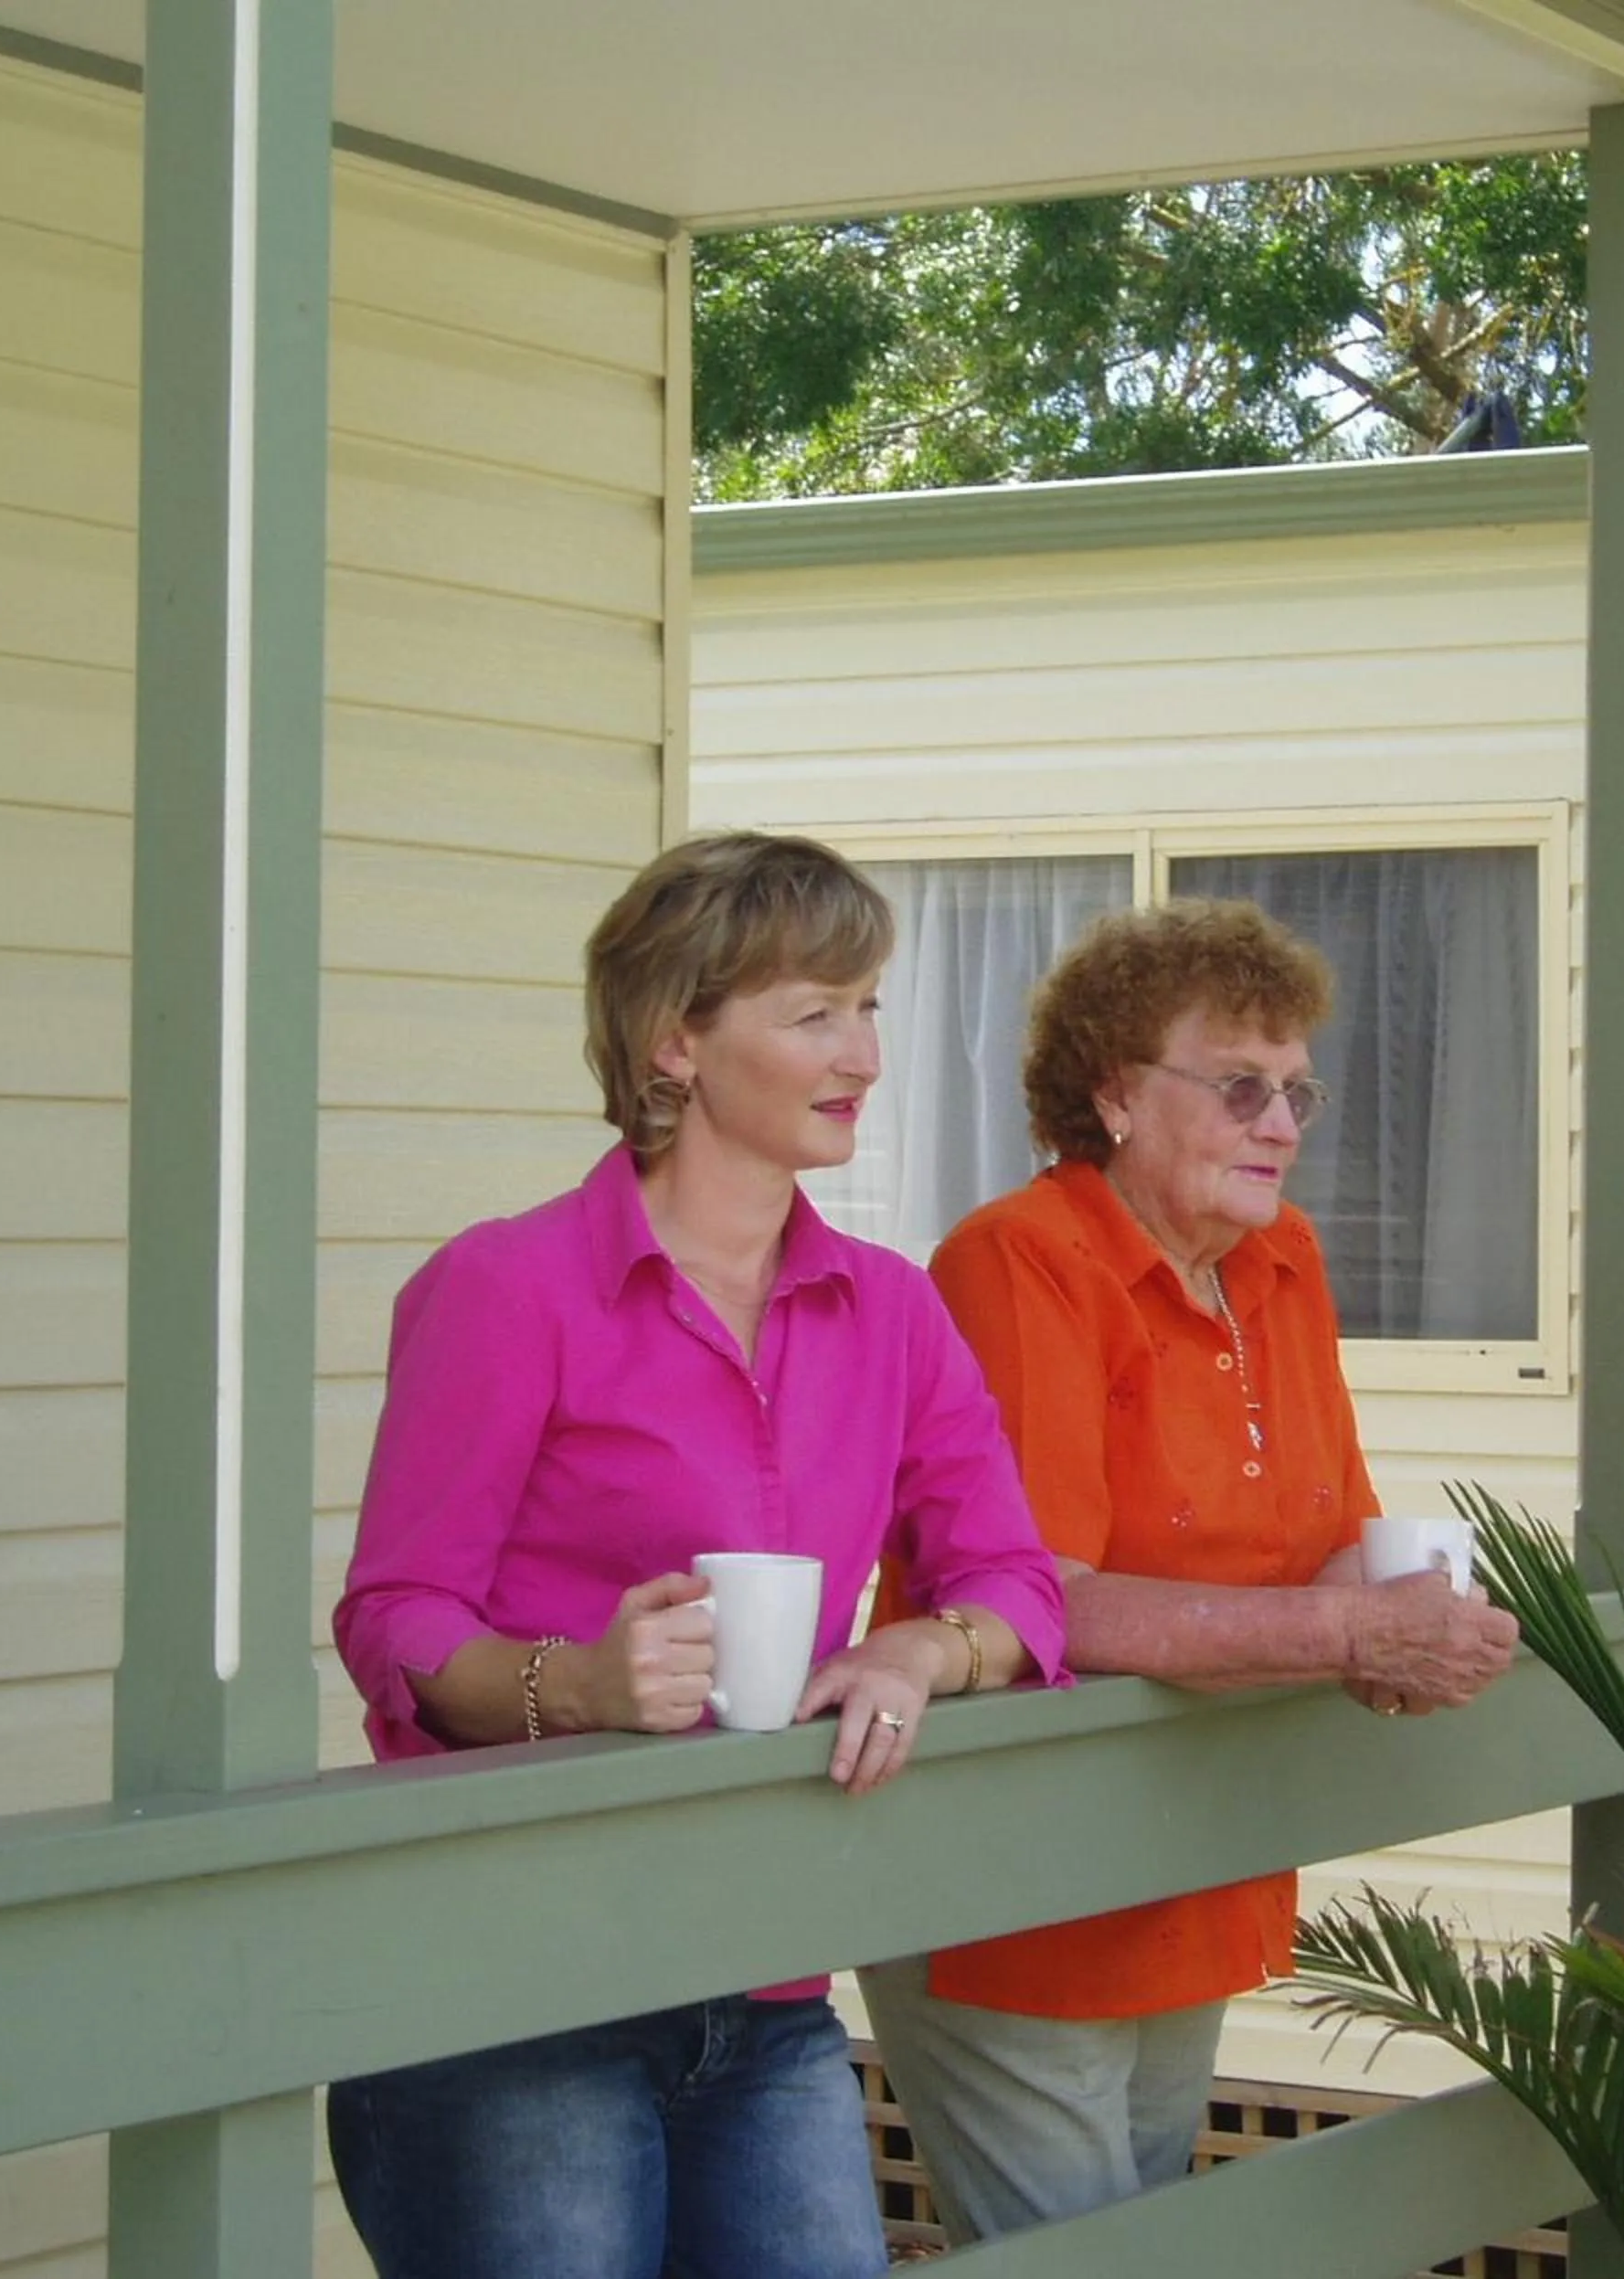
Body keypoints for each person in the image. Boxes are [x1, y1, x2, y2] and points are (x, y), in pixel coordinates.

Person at [327, 832, 1067, 2279]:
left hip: (768, 1971)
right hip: (510, 1986)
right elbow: (394, 1619)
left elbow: (1017, 1582)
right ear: (677, 1041)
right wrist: (581, 1683)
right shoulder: (508, 1287)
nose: (864, 1049)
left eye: (870, 1005)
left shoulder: (895, 1312)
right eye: (817, 1011)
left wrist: (925, 1643)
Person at [858, 897, 1519, 2242]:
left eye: (1296, 1089)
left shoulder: (1282, 1258)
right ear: (1111, 1094)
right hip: (1018, 1877)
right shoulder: (1019, 1259)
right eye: (1237, 1086)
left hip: (1191, 1853)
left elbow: (1335, 1529)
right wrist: (1350, 1636)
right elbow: (1043, 1595)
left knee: (1150, 2233)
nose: (1281, 1122)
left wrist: (1413, 1617)